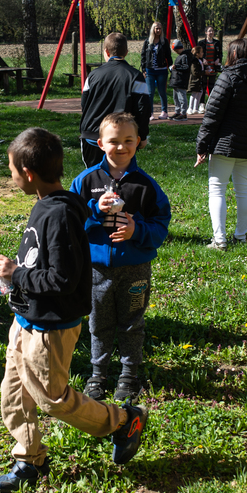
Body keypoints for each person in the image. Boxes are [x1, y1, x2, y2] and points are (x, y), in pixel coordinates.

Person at [0, 127, 148, 493]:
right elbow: (39, 260)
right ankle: (29, 459)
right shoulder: (45, 203)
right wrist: (13, 271)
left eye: (12, 170)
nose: (11, 176)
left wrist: (19, 274)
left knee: (52, 398)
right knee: (14, 396)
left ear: (28, 173)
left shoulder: (59, 215)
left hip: (50, 327)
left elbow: (62, 278)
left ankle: (123, 421)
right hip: (25, 319)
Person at [70, 112, 171, 403]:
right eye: (114, 141)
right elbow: (69, 219)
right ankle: (97, 373)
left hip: (134, 268)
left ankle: (129, 374)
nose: (121, 147)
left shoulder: (146, 185)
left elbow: (161, 222)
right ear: (100, 143)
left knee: (131, 322)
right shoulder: (86, 181)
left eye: (128, 141)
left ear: (138, 142)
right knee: (98, 322)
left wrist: (136, 230)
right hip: (96, 269)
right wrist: (93, 208)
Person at [195, 38, 247, 250]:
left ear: (234, 53)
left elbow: (212, 115)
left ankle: (219, 240)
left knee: (217, 189)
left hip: (225, 144)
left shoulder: (227, 77)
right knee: (243, 189)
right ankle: (241, 236)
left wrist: (202, 145)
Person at [79, 32, 150, 168]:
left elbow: (84, 104)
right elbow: (143, 108)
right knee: (121, 177)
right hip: (121, 137)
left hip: (92, 135)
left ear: (106, 51)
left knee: (93, 177)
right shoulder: (135, 76)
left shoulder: (92, 75)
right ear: (127, 52)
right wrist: (143, 135)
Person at [140, 22, 172, 120]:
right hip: (150, 70)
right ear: (153, 29)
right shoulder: (147, 42)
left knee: (162, 91)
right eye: (156, 28)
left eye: (160, 29)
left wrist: (170, 66)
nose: (158, 30)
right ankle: (150, 113)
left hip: (162, 70)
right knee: (150, 92)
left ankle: (164, 112)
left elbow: (168, 55)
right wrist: (143, 69)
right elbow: (143, 56)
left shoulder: (164, 41)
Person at [168, 39, 195, 121]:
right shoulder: (181, 56)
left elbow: (186, 67)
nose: (176, 52)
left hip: (181, 80)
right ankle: (177, 111)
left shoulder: (185, 56)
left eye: (176, 50)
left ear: (180, 48)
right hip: (176, 80)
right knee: (176, 97)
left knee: (181, 97)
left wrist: (176, 67)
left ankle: (183, 113)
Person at [188, 44, 206, 115]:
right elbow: (195, 72)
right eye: (201, 52)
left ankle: (195, 108)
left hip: (199, 80)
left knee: (199, 93)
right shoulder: (194, 61)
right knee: (194, 94)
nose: (203, 53)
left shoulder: (200, 60)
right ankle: (190, 108)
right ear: (197, 53)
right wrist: (204, 72)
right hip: (194, 80)